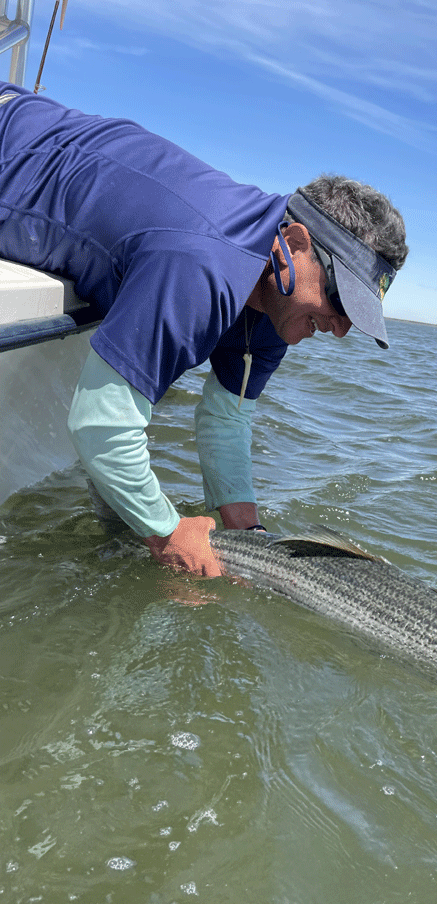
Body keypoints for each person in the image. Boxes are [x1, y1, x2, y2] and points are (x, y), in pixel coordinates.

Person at [0, 83, 408, 575]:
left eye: (355, 317)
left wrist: (247, 530)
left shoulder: (275, 308)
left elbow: (226, 419)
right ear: (295, 241)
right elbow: (99, 424)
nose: (340, 328)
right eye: (339, 298)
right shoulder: (203, 268)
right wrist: (170, 534)